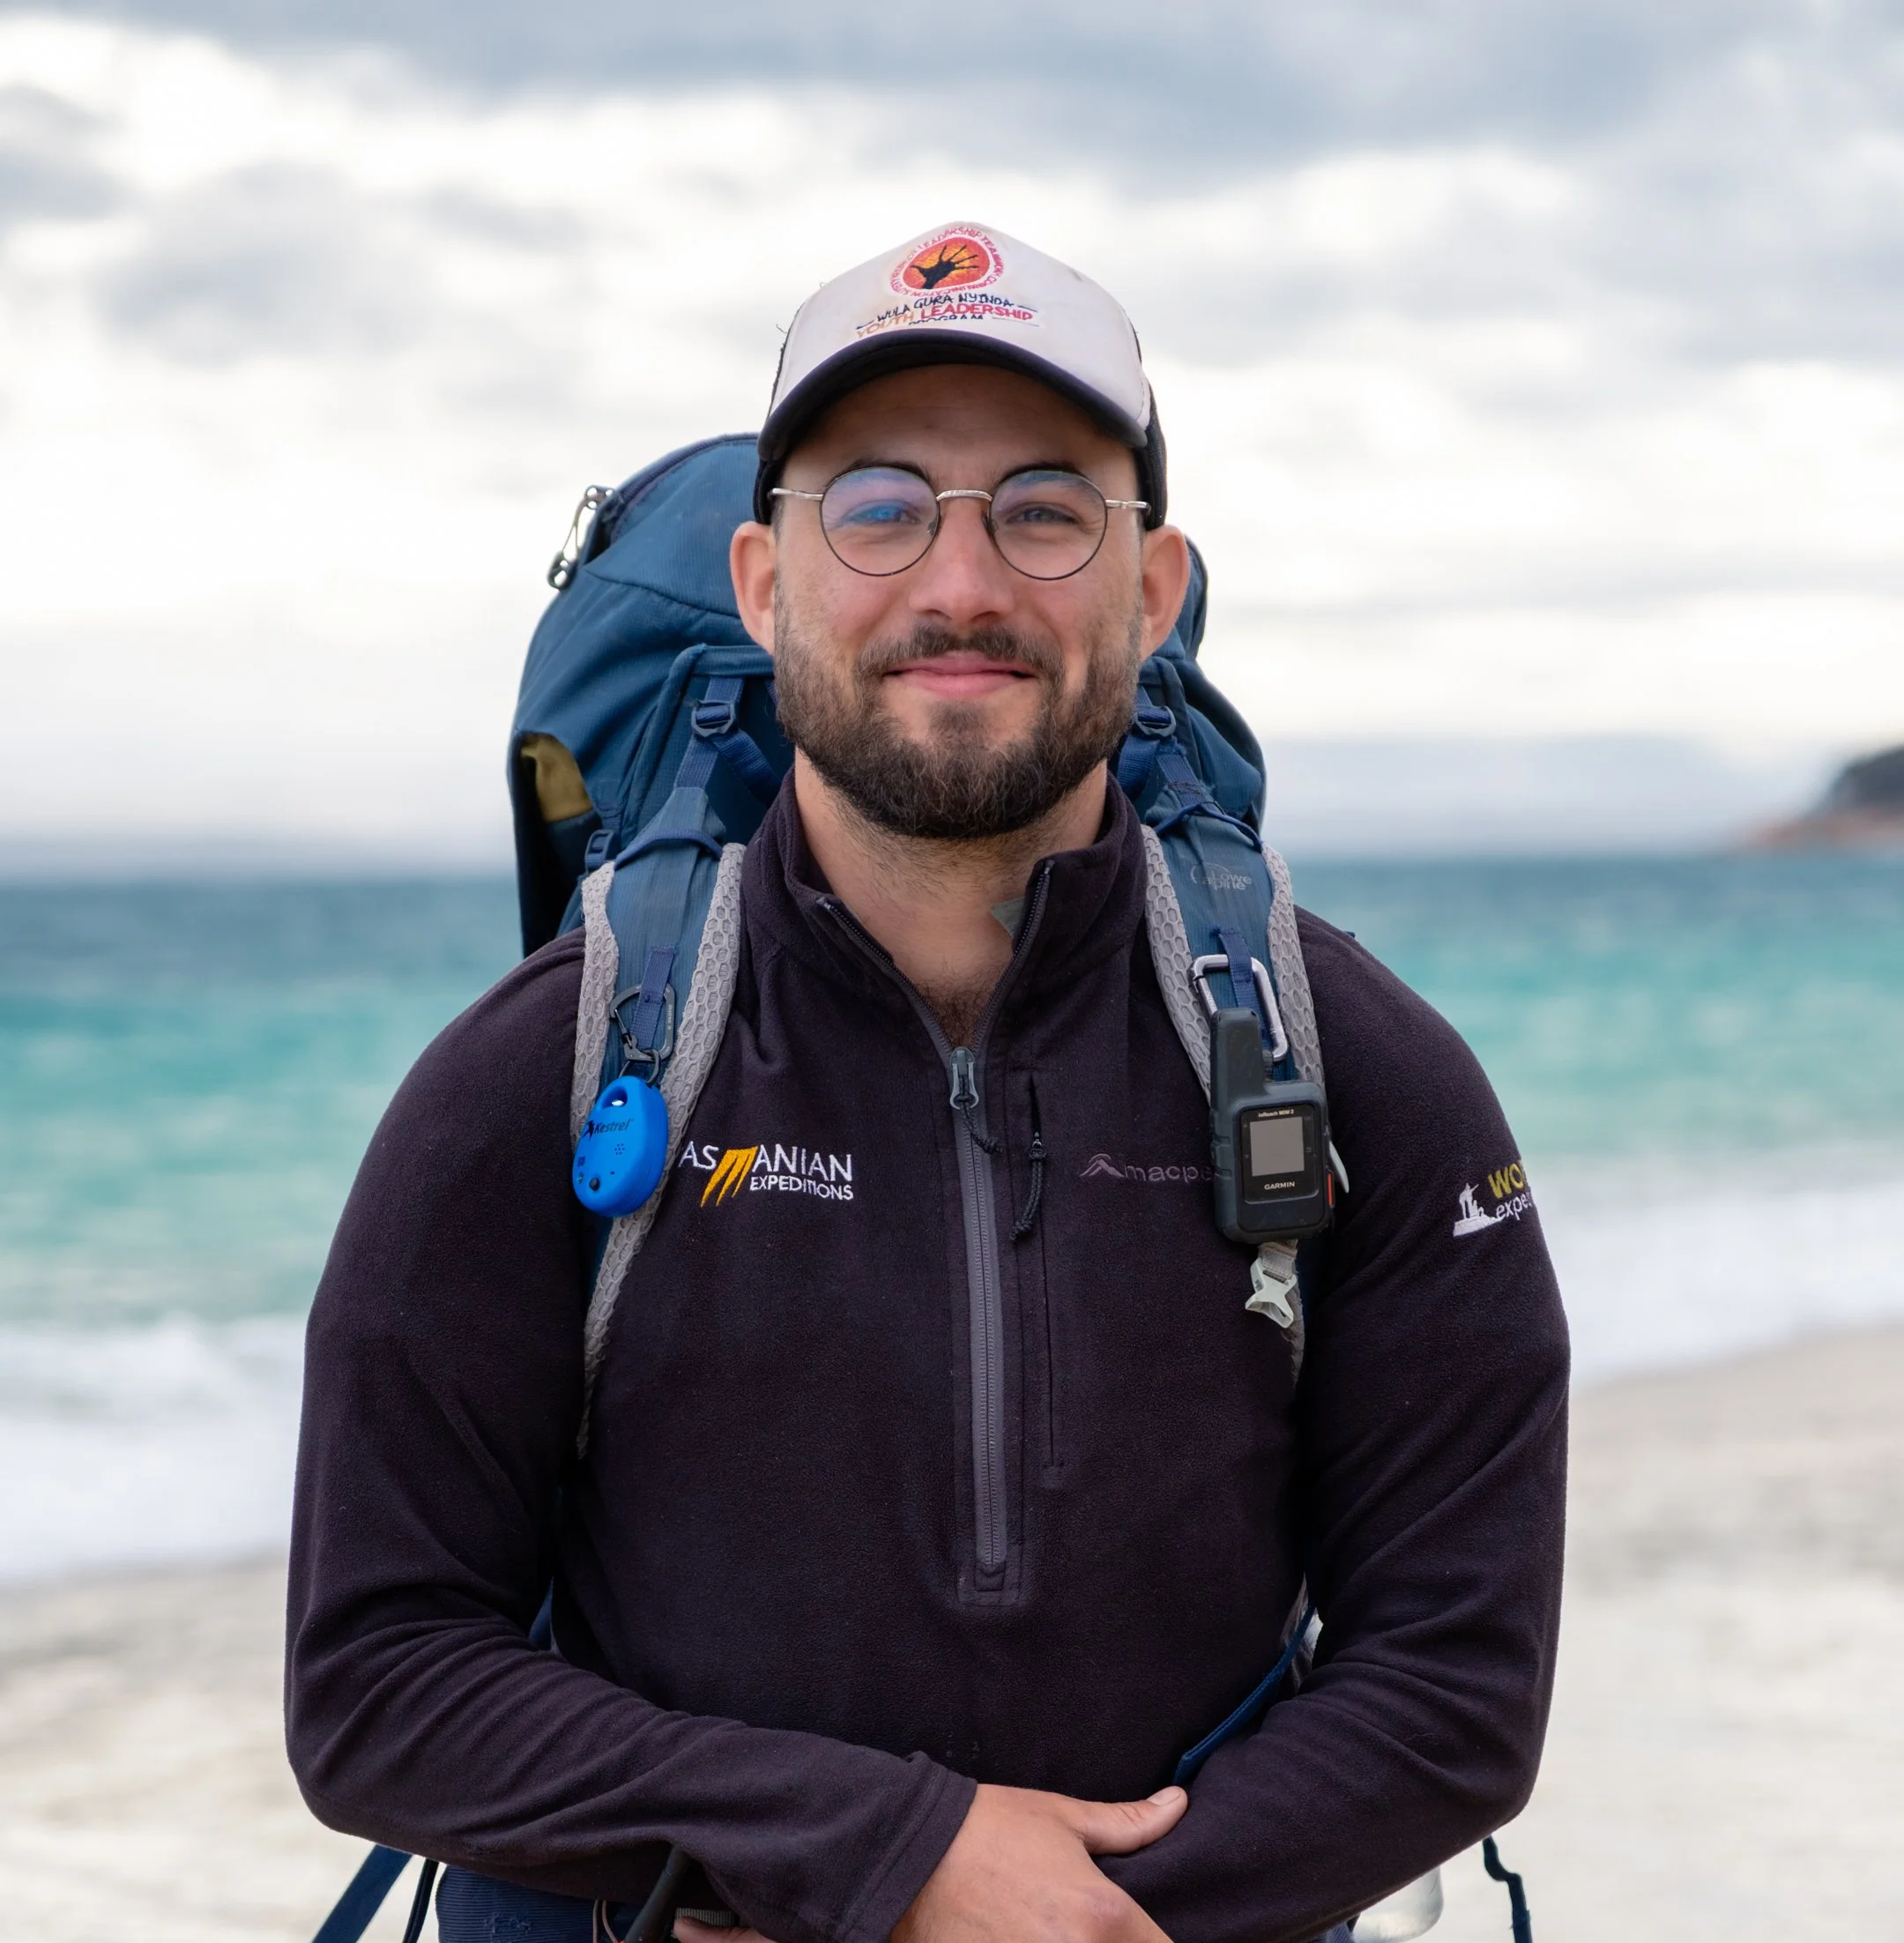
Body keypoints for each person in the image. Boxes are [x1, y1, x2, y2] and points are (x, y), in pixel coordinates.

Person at [287, 223, 1568, 1943]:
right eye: (877, 507)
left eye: (1046, 508)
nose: (960, 582)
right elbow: (377, 1684)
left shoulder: (1353, 1072)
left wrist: (1076, 1918)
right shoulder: (553, 1066)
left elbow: (1456, 1681)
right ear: (764, 581)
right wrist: (873, 1856)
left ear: (1152, 585)